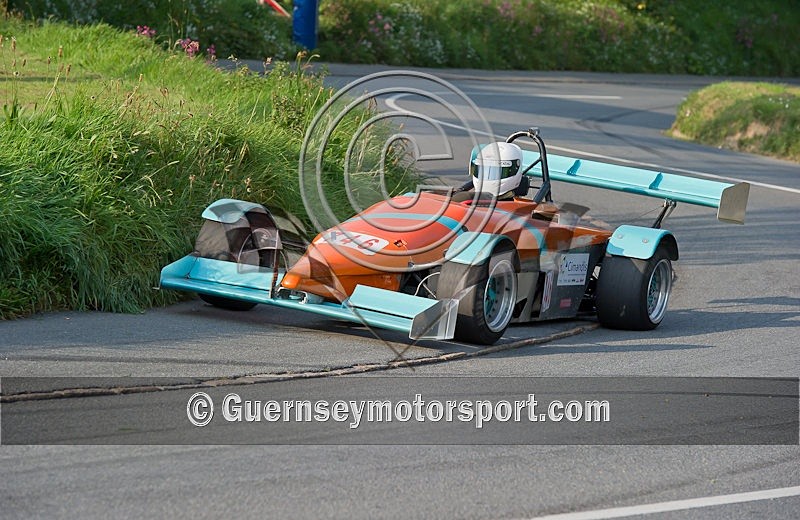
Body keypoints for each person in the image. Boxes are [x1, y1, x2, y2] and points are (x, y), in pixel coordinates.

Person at [453, 142, 529, 201]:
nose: (488, 176)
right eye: (484, 171)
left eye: (496, 172)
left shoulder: (520, 210)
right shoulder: (463, 198)